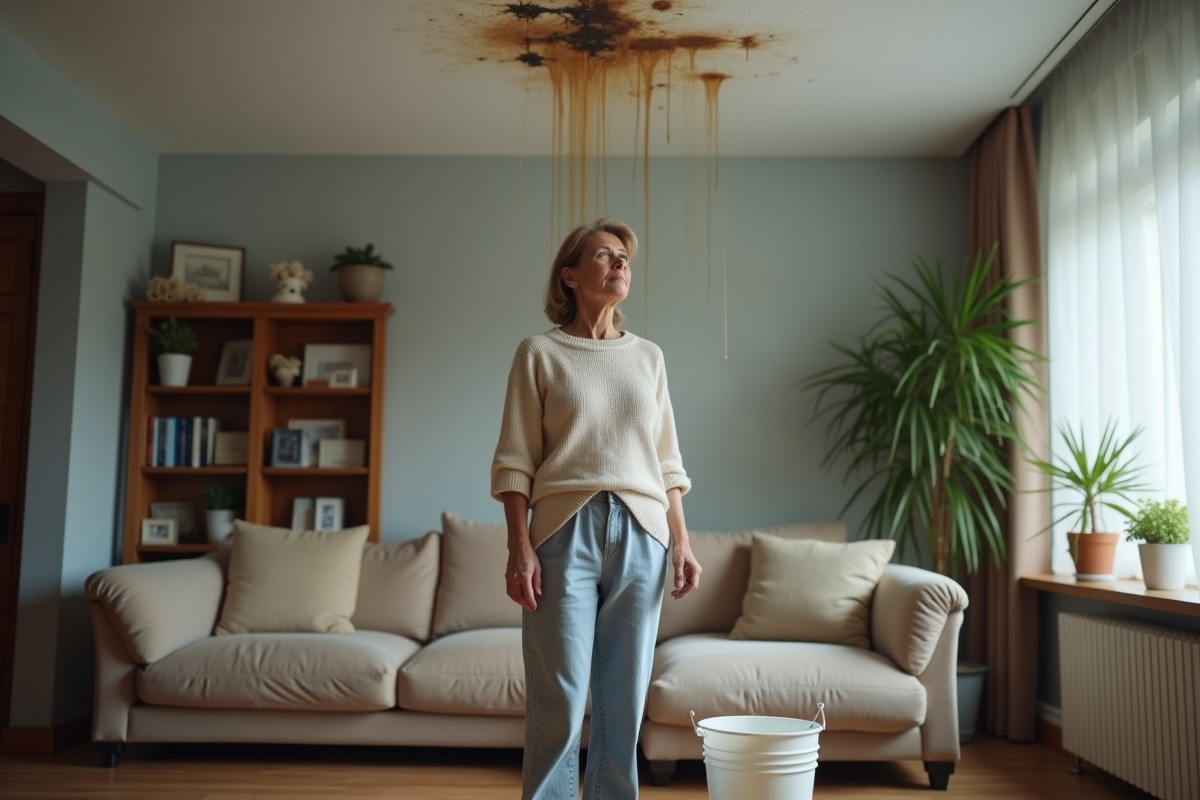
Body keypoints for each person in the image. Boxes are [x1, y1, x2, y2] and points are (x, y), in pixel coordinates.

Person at [491, 218, 702, 800]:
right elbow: (514, 461)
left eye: (625, 258)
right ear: (570, 276)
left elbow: (668, 464)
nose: (620, 265)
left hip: (643, 533)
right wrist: (519, 548)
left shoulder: (648, 358)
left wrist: (681, 542)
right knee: (558, 697)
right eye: (605, 256)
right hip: (564, 531)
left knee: (624, 699)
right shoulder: (539, 353)